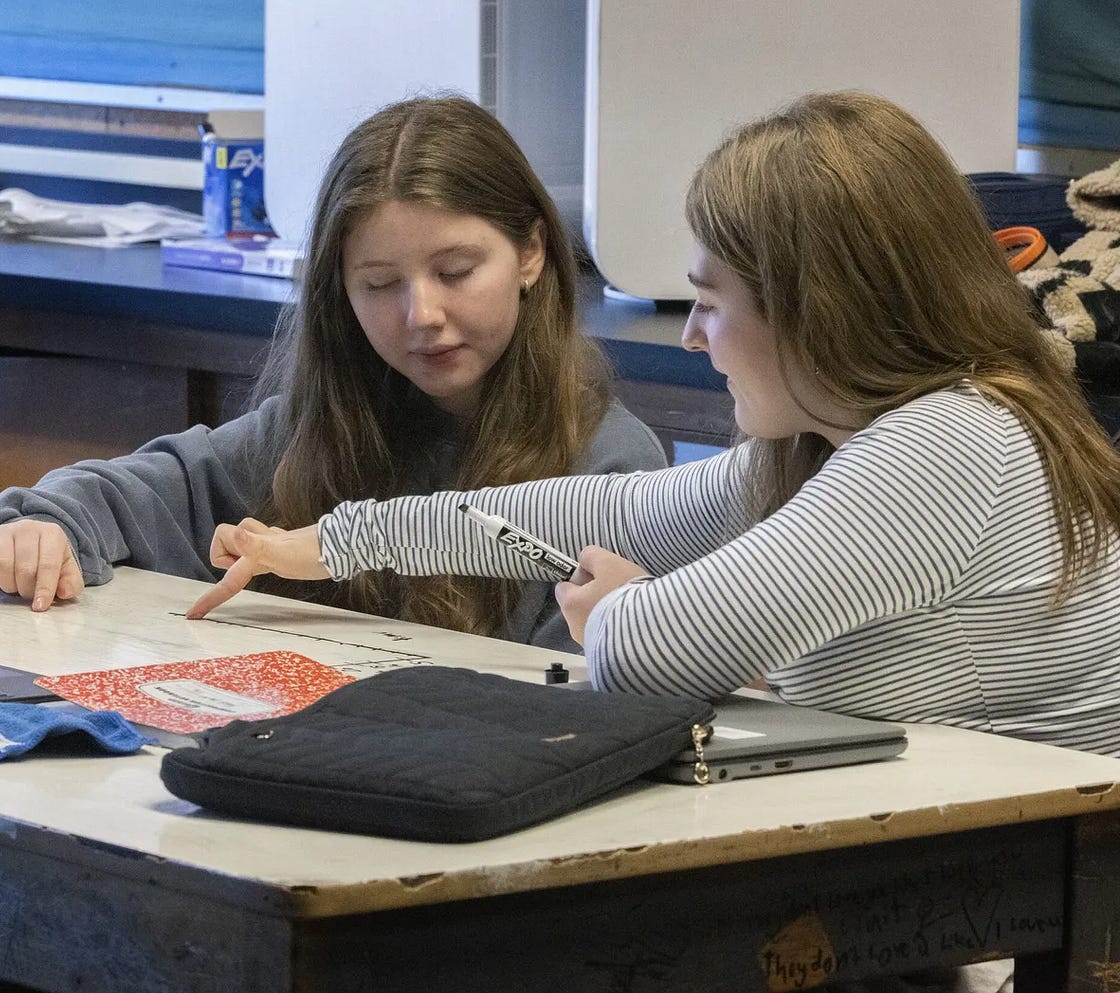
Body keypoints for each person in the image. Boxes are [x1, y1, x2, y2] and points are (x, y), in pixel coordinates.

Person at [189, 90, 1120, 758]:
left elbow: (651, 649)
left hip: (1014, 939)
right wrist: (333, 541)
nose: (689, 333)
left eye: (713, 300)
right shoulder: (830, 443)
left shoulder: (950, 443)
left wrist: (618, 608)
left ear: (815, 309)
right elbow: (603, 514)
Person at [0, 95, 666, 653]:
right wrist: (41, 528)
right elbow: (127, 492)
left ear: (533, 253)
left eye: (455, 272)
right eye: (378, 284)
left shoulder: (610, 469)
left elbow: (580, 708)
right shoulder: (319, 432)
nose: (421, 313)